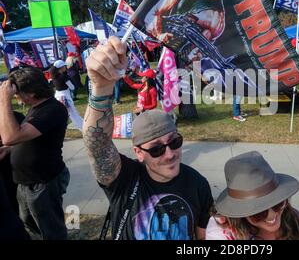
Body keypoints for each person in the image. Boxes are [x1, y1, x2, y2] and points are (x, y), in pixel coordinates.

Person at [83, 36, 214, 240]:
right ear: (139, 153)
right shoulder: (124, 179)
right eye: (156, 149)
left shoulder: (198, 184)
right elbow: (97, 145)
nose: (170, 154)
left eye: (175, 142)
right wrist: (101, 89)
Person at [0, 67, 69, 240]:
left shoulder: (52, 110)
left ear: (31, 93)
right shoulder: (36, 106)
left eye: (17, 94)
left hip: (42, 183)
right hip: (25, 183)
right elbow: (31, 137)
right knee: (29, 223)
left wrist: (4, 101)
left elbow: (9, 136)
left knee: (51, 229)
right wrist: (10, 149)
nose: (15, 97)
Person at [206, 151, 299, 240]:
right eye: (259, 212)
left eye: (277, 203)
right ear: (240, 210)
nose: (272, 215)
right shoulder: (220, 232)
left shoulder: (297, 219)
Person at [50, 60, 83, 131]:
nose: (66, 67)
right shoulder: (63, 76)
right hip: (64, 96)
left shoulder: (54, 76)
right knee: (73, 113)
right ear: (61, 68)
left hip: (58, 95)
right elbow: (72, 87)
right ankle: (83, 127)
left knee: (61, 114)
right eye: (64, 66)